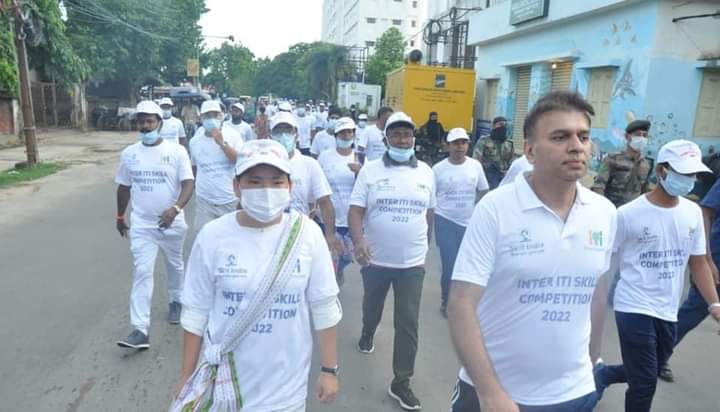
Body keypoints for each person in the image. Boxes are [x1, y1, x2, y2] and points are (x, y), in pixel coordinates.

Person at [448, 91, 615, 411]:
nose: (576, 146)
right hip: (495, 393)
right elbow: (461, 304)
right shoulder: (496, 208)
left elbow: (596, 292)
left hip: (573, 392)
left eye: (583, 136)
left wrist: (592, 361)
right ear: (529, 150)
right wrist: (490, 392)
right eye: (560, 137)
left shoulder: (604, 212)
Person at [172, 139, 341, 412]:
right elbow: (196, 312)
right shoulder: (212, 236)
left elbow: (324, 306)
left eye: (276, 182)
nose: (266, 190)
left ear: (290, 187)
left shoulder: (308, 234)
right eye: (254, 182)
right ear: (236, 186)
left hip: (286, 389)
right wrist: (186, 376)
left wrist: (329, 369)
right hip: (224, 380)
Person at [593, 140, 720, 412]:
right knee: (645, 382)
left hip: (667, 309)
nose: (689, 180)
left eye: (693, 174)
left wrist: (714, 303)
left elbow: (698, 262)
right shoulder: (627, 214)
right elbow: (606, 262)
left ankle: (605, 375)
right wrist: (595, 304)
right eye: (683, 173)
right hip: (633, 305)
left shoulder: (692, 213)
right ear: (662, 171)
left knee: (648, 367)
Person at [348, 112, 435, 411]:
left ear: (413, 138)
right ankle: (367, 331)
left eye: (407, 134)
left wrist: (424, 247)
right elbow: (356, 210)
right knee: (372, 307)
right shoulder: (370, 172)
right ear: (386, 139)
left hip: (412, 263)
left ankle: (401, 381)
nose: (402, 139)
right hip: (375, 260)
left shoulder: (426, 172)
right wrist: (359, 240)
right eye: (395, 134)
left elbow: (429, 212)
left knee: (407, 322)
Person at [114, 100, 195, 349]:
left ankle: (176, 300)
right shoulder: (130, 154)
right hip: (143, 225)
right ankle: (140, 329)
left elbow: (188, 184)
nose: (146, 126)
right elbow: (124, 187)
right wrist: (120, 216)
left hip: (172, 224)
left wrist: (175, 209)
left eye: (150, 121)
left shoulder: (177, 152)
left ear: (160, 123)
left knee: (175, 264)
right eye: (141, 121)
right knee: (142, 272)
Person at [659, 177, 720, 382]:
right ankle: (657, 356)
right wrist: (707, 258)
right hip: (717, 259)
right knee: (694, 311)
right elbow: (706, 211)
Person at [432, 128, 488, 317]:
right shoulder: (438, 169)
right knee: (450, 265)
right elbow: (431, 197)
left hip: (469, 223)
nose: (460, 147)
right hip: (445, 221)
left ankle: (466, 301)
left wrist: (475, 209)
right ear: (447, 146)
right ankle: (446, 301)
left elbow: (483, 190)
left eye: (463, 142)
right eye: (455, 143)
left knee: (469, 265)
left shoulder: (475, 166)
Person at [270, 112, 343, 258]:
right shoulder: (264, 164)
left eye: (288, 130)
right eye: (278, 131)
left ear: (296, 134)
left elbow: (325, 201)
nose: (283, 135)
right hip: (269, 233)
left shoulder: (309, 164)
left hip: (300, 232)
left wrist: (330, 235)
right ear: (270, 135)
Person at [317, 117, 362, 286]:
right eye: (342, 132)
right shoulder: (325, 157)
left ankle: (339, 269)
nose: (346, 135)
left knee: (347, 254)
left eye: (349, 132)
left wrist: (360, 172)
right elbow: (318, 184)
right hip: (328, 216)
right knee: (328, 253)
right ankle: (330, 281)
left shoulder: (361, 158)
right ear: (336, 135)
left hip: (351, 216)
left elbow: (368, 187)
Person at [189, 100, 244, 232]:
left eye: (215, 115)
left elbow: (240, 162)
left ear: (222, 116)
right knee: (204, 236)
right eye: (207, 116)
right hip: (205, 201)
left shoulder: (233, 136)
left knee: (230, 237)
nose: (212, 119)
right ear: (201, 118)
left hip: (230, 200)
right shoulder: (195, 141)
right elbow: (194, 167)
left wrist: (222, 143)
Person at [592, 120, 653, 207]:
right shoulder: (613, 159)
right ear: (627, 137)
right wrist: (603, 208)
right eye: (638, 135)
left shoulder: (646, 164)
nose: (642, 138)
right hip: (612, 208)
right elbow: (599, 186)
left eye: (645, 135)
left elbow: (645, 191)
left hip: (633, 211)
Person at [472, 116, 514, 189]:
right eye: (501, 124)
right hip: (487, 179)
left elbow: (511, 162)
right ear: (494, 126)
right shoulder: (484, 141)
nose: (503, 127)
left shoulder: (509, 144)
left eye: (505, 125)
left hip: (503, 180)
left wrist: (507, 172)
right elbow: (476, 160)